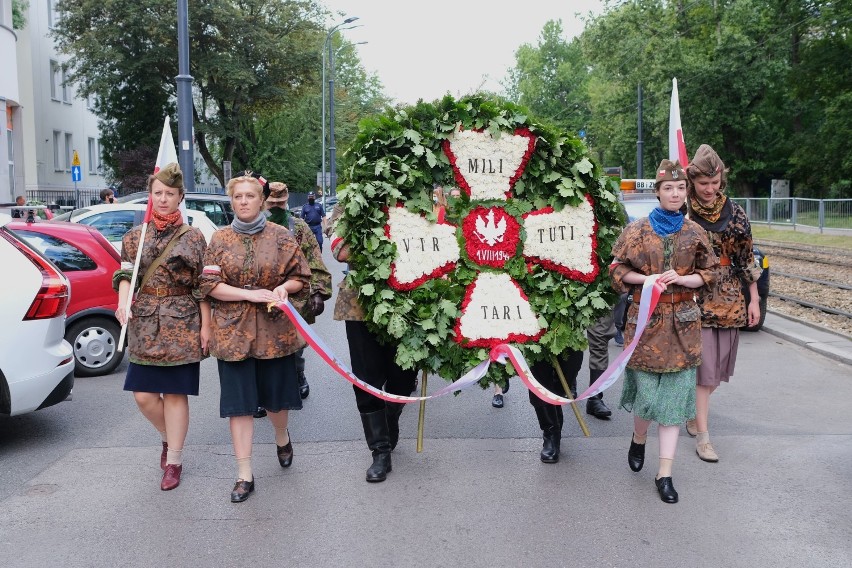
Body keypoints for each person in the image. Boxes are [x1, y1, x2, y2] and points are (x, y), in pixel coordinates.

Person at [609, 159, 717, 504]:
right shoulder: (638, 230)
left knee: (671, 404)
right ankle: (639, 437)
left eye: (681, 187)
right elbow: (616, 268)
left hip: (684, 328)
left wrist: (687, 279)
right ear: (657, 192)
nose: (675, 193)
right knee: (647, 398)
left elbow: (711, 273)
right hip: (646, 324)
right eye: (668, 188)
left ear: (687, 192)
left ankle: (665, 473)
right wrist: (646, 279)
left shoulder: (696, 232)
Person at [200, 173, 310, 503]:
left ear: (261, 200)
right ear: (231, 201)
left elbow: (300, 277)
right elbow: (207, 286)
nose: (244, 201)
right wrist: (248, 295)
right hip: (232, 335)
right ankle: (244, 473)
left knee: (275, 402)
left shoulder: (281, 235)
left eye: (250, 196)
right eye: (238, 197)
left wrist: (282, 288)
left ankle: (281, 435)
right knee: (240, 406)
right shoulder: (219, 239)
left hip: (274, 334)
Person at [113, 162, 210, 492]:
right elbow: (126, 274)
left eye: (170, 194)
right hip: (144, 324)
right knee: (143, 396)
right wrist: (122, 302)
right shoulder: (135, 237)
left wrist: (206, 326)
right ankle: (169, 439)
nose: (163, 199)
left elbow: (201, 286)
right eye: (158, 193)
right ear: (150, 197)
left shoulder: (193, 237)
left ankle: (175, 460)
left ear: (180, 197)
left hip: (182, 322)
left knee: (175, 394)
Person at [330, 203, 417, 482]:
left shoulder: (415, 201)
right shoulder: (348, 205)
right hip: (360, 305)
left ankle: (391, 414)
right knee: (366, 379)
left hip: (409, 302)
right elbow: (341, 251)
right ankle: (379, 451)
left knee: (403, 379)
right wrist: (392, 240)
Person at [686, 144, 761, 463]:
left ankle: (693, 412)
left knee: (717, 373)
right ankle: (703, 437)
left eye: (715, 182)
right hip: (694, 297)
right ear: (693, 181)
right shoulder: (683, 211)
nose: (710, 189)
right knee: (705, 374)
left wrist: (754, 298)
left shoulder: (736, 213)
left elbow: (747, 257)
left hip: (730, 298)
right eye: (704, 183)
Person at [265, 181, 332, 400]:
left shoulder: (299, 227)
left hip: (294, 296)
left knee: (295, 343)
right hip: (262, 296)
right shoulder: (254, 225)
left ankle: (298, 374)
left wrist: (319, 292)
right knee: (261, 344)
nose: (275, 206)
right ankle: (262, 388)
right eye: (271, 202)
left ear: (286, 201)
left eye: (280, 202)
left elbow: (314, 259)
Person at [527, 351, 584, 464]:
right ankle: (551, 433)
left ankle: (554, 406)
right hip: (535, 335)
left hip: (568, 335)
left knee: (571, 365)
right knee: (539, 374)